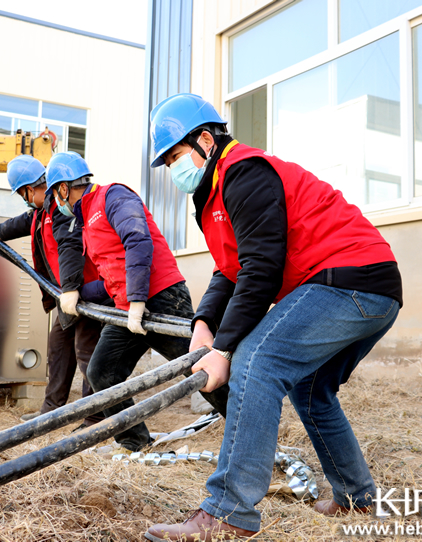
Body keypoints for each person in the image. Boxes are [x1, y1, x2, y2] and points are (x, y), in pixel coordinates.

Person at [144, 93, 403, 541]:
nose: (173, 170)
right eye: (166, 162)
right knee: (311, 389)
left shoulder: (244, 173)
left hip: (351, 280)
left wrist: (225, 348)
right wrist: (203, 325)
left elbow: (261, 270)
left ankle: (228, 513)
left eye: (175, 156)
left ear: (206, 141)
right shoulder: (217, 193)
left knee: (255, 363)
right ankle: (356, 496)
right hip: (371, 289)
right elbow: (232, 269)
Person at [45, 152, 229, 453]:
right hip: (129, 310)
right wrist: (77, 294)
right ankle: (134, 443)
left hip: (162, 297)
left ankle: (251, 434)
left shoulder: (113, 196)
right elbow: (113, 273)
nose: (57, 202)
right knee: (101, 372)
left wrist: (137, 299)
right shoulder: (87, 220)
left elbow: (137, 239)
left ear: (63, 189)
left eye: (55, 195)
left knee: (200, 369)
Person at [0, 155, 104, 430]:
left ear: (32, 187)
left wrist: (72, 290)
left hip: (83, 293)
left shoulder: (61, 210)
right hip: (66, 296)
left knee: (87, 354)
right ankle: (51, 410)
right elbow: (22, 222)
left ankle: (96, 417)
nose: (25, 201)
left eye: (23, 194)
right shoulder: (42, 211)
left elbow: (69, 248)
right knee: (59, 349)